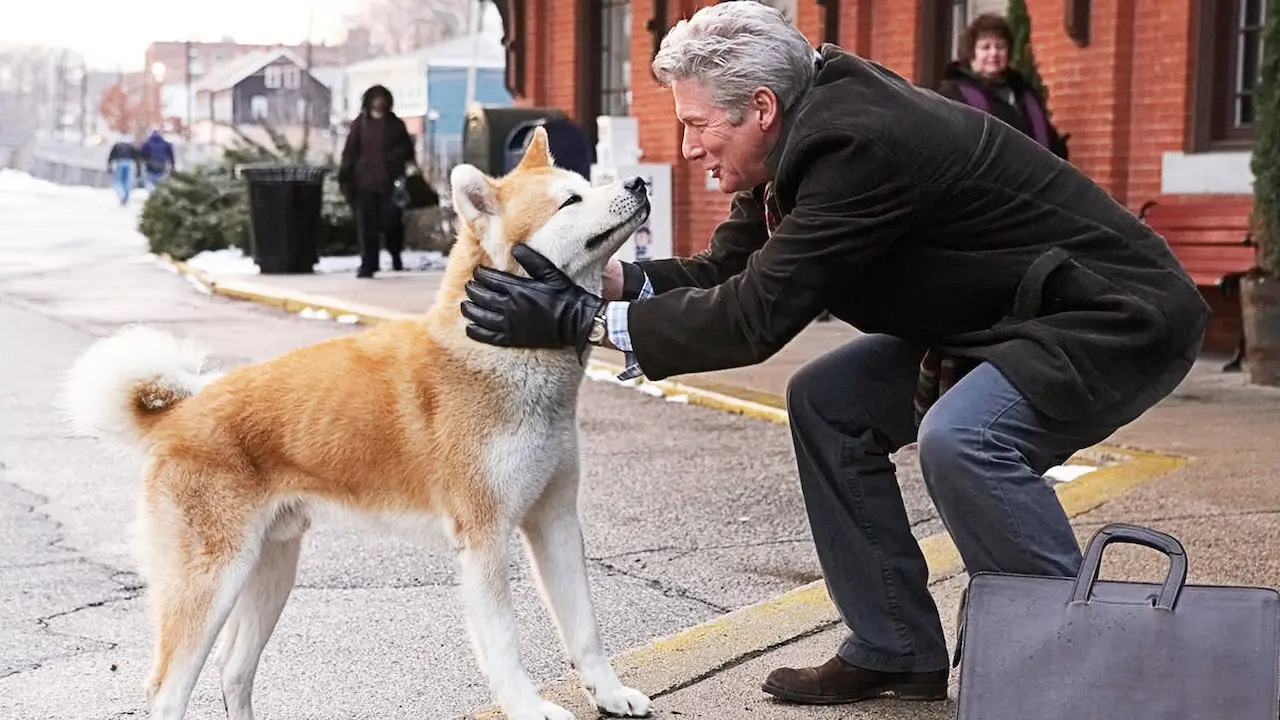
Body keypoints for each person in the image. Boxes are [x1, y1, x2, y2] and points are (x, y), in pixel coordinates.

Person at [459, 1, 1208, 707]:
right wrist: (606, 280)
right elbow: (729, 272)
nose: (688, 150)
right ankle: (895, 646)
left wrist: (579, 320)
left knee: (965, 440)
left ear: (760, 108)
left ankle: (1089, 667)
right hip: (1005, 318)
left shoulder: (858, 144)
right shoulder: (796, 133)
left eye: (696, 125)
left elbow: (755, 317)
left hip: (1111, 316)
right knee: (827, 401)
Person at [937, 13, 1069, 160]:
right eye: (985, 47)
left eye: (1000, 46)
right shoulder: (954, 94)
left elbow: (1049, 141)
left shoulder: (1025, 94)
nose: (994, 53)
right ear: (971, 53)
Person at [337, 84, 416, 278]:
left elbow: (408, 151)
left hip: (391, 184)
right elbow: (350, 153)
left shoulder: (396, 125)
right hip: (364, 184)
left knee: (392, 223)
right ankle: (368, 264)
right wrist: (345, 176)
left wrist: (393, 158)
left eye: (383, 98)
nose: (379, 102)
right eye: (376, 98)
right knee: (366, 227)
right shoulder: (359, 125)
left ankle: (395, 255)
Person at [106, 138, 139, 205]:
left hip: (119, 162)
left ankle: (122, 195)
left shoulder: (117, 145)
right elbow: (136, 157)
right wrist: (138, 168)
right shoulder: (131, 146)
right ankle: (126, 197)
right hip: (129, 163)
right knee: (128, 181)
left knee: (118, 181)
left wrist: (109, 165)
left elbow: (111, 156)